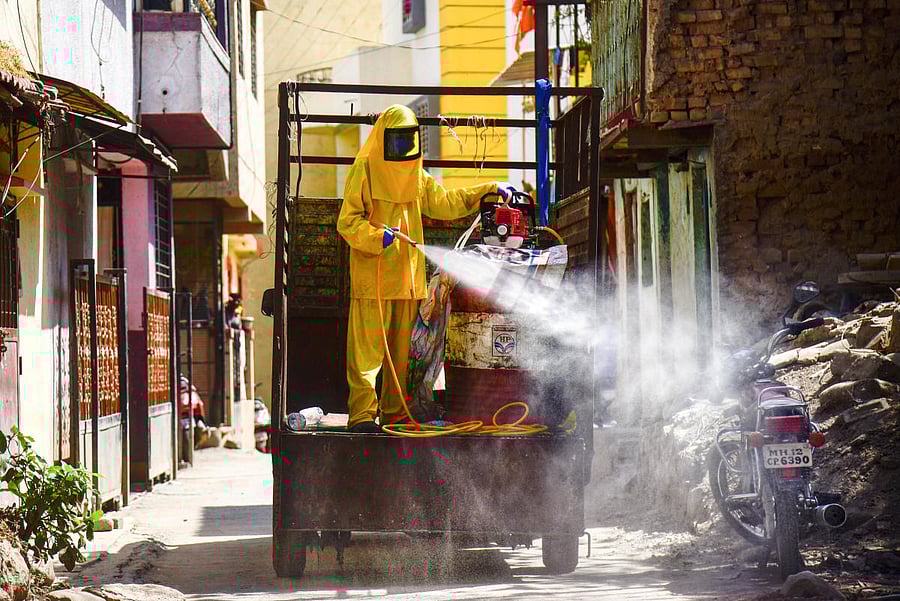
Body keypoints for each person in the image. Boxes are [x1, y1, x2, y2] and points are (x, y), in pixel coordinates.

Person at [337, 104, 512, 433]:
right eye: (397, 140)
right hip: (372, 280)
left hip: (406, 279)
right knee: (368, 354)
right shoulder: (364, 168)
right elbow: (347, 223)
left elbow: (445, 203)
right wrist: (377, 237)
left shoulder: (414, 172)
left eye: (408, 140)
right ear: (384, 138)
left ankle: (393, 412)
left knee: (400, 357)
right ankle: (361, 415)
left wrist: (487, 190)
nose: (403, 147)